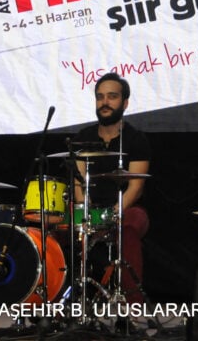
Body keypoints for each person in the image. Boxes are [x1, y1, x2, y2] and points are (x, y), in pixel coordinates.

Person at [71, 72, 151, 304]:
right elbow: (78, 182)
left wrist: (112, 215)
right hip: (90, 208)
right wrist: (85, 212)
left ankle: (133, 302)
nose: (105, 102)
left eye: (112, 96)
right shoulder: (83, 137)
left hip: (126, 208)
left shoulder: (136, 139)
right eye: (100, 97)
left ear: (124, 103)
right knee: (55, 225)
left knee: (129, 227)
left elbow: (135, 187)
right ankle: (57, 297)